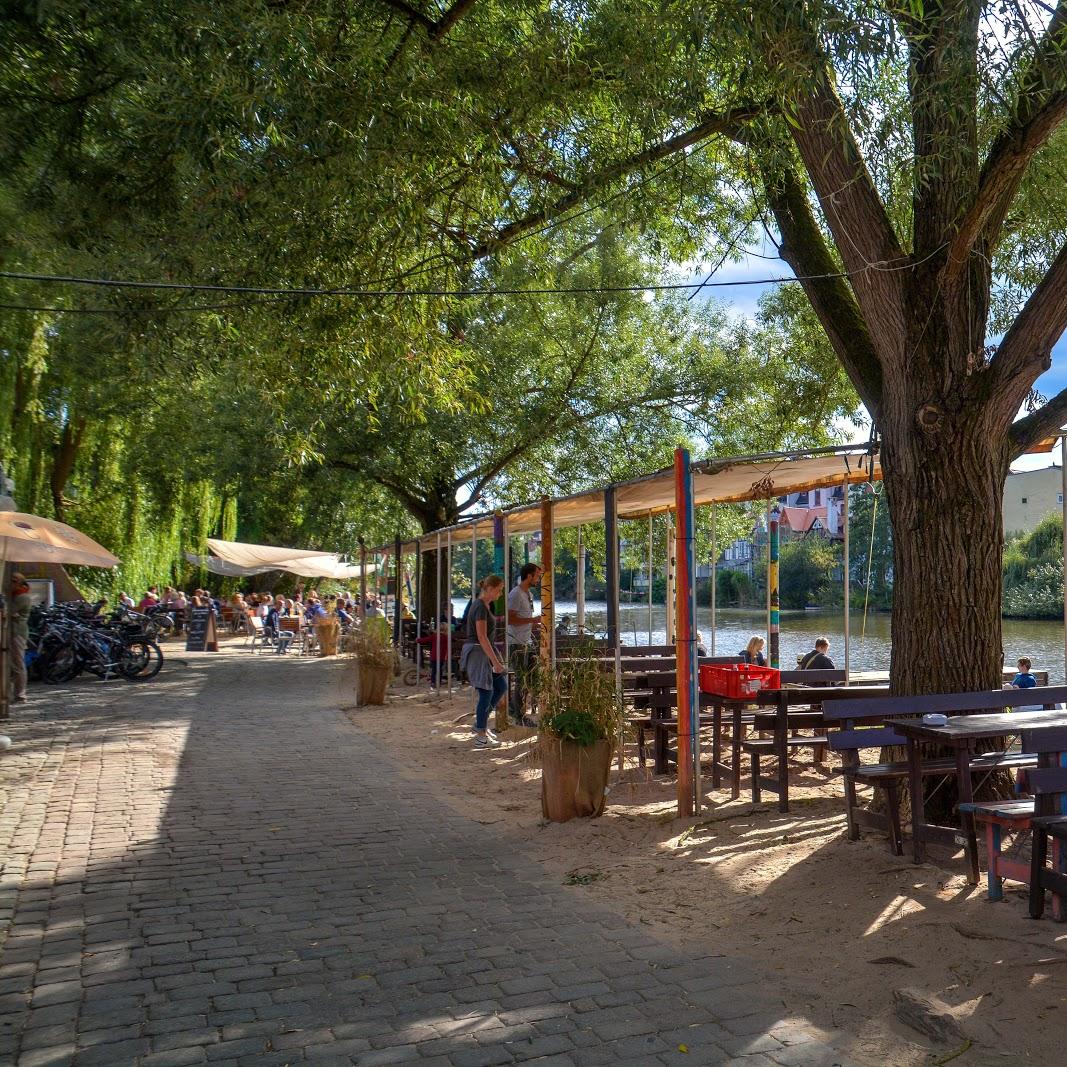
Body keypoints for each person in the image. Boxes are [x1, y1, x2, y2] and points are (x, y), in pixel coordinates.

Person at [460, 574, 507, 748]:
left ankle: (481, 724)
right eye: (499, 590)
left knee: (501, 686)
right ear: (490, 588)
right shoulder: (479, 606)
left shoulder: (486, 605)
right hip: (478, 652)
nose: (500, 594)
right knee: (486, 692)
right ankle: (480, 734)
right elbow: (481, 636)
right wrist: (495, 661)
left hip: (484, 652)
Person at [507, 563, 544, 726]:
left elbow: (523, 620)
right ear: (529, 576)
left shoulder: (528, 594)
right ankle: (518, 716)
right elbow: (510, 619)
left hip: (527, 641)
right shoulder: (516, 594)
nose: (539, 579)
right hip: (516, 643)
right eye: (537, 575)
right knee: (522, 679)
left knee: (532, 677)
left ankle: (515, 708)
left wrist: (535, 625)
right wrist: (533, 620)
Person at [8, 571, 32, 703]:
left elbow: (9, 611)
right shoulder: (13, 596)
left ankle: (20, 694)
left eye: (15, 580)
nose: (12, 582)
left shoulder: (22, 597)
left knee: (18, 664)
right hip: (11, 632)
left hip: (17, 632)